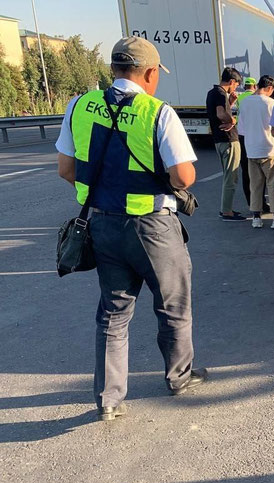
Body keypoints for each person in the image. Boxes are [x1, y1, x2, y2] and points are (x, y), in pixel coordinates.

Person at [55, 36, 207, 421]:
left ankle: (108, 399)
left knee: (113, 312)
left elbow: (66, 170)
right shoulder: (157, 112)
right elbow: (184, 175)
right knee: (173, 306)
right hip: (153, 227)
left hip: (102, 225)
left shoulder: (79, 105)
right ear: (150, 73)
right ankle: (179, 377)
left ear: (113, 69)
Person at [238, 76, 274, 229]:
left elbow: (242, 129)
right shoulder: (271, 103)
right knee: (273, 184)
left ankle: (256, 217)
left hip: (251, 149)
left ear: (258, 85)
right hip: (269, 147)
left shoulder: (244, 102)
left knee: (255, 185)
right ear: (270, 89)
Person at [206, 67, 247, 221]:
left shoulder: (212, 93)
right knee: (231, 176)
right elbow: (221, 114)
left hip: (219, 140)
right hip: (228, 139)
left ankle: (226, 209)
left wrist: (230, 103)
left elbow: (219, 111)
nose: (235, 88)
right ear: (231, 81)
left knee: (227, 175)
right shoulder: (221, 93)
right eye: (236, 84)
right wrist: (233, 120)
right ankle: (227, 212)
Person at [236, 76, 258, 210]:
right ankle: (259, 202)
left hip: (241, 134)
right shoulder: (256, 98)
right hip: (255, 135)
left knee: (246, 170)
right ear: (254, 86)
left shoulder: (240, 98)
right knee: (259, 173)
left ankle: (251, 202)